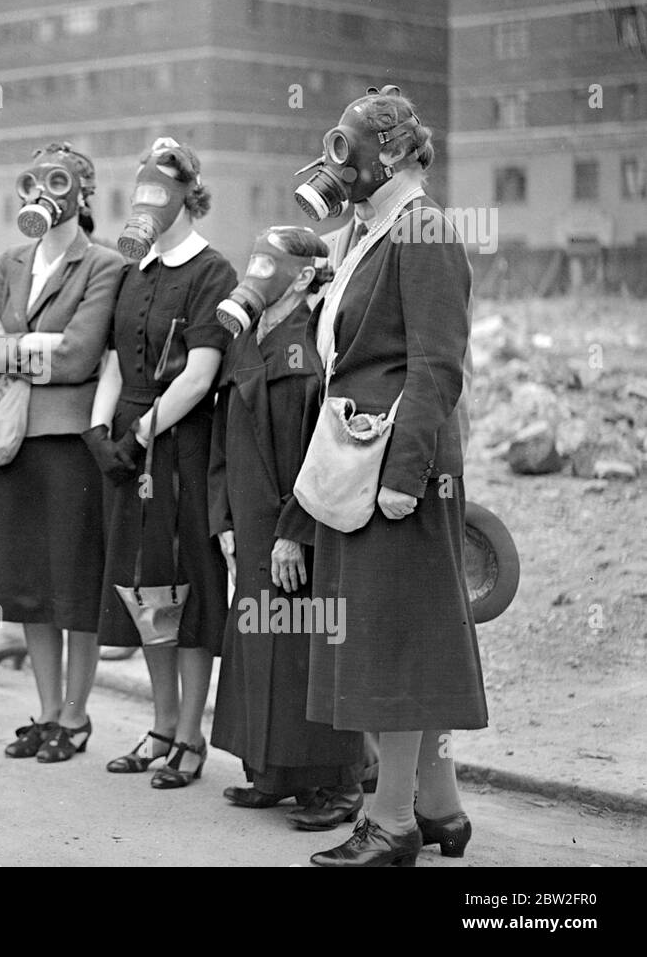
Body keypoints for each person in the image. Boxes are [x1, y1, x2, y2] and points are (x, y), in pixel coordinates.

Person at [293, 87, 485, 866]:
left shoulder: (425, 231)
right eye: (335, 144)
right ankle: (440, 811)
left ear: (400, 152)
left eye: (352, 145)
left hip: (394, 471)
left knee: (394, 652)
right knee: (396, 644)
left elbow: (437, 366)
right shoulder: (370, 231)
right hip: (359, 461)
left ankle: (392, 826)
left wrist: (405, 478)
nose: (341, 160)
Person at [207, 225, 367, 826]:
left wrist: (293, 532)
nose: (257, 272)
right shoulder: (247, 338)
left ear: (302, 277)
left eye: (269, 264)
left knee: (305, 649)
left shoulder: (313, 346)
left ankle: (337, 786)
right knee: (257, 648)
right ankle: (272, 773)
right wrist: (221, 517)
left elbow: (318, 451)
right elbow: (226, 439)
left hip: (292, 529)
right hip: (248, 528)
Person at [89, 137, 236, 788]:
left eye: (160, 195)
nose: (147, 207)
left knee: (188, 587)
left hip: (180, 445)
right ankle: (159, 724)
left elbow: (199, 375)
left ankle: (190, 736)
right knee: (146, 586)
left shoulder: (214, 273)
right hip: (129, 443)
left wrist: (142, 430)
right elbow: (116, 359)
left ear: (187, 199)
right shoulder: (133, 269)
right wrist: (102, 427)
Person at [0, 142, 124, 762]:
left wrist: (10, 345)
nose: (43, 193)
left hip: (69, 447)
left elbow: (81, 354)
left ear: (83, 193)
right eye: (33, 181)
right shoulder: (9, 260)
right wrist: (32, 346)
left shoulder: (104, 265)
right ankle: (44, 711)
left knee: (75, 586)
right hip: (15, 445)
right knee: (31, 586)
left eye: (58, 182)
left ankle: (76, 715)